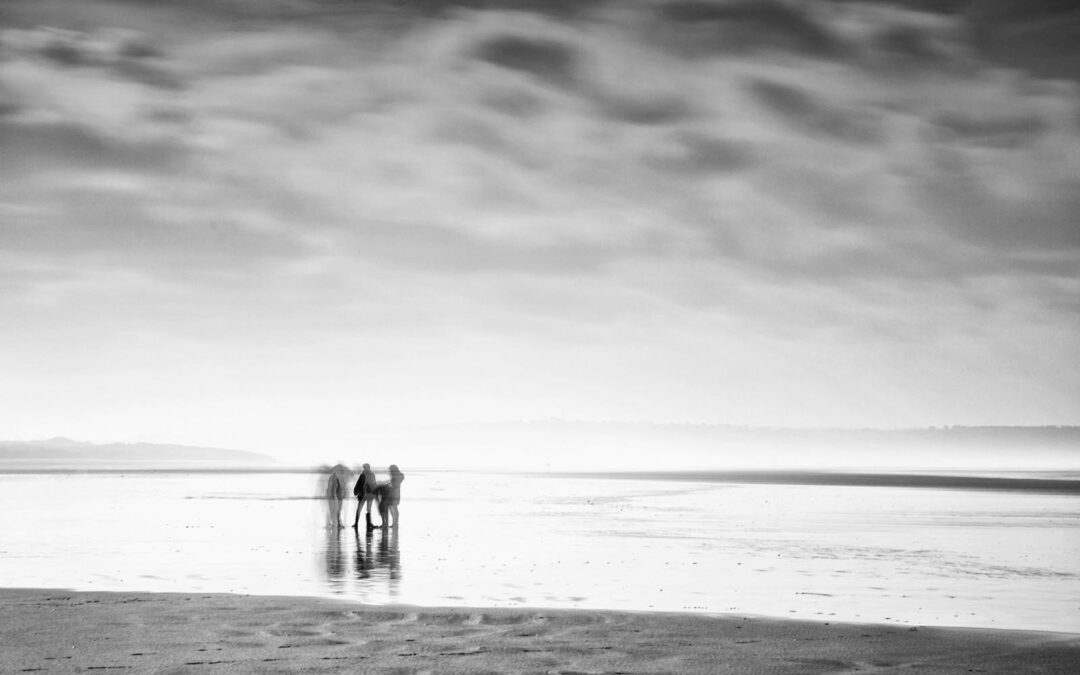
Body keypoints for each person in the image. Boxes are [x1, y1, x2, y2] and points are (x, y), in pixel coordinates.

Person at [352, 463, 379, 531]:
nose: (364, 469)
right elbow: (358, 483)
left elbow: (374, 484)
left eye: (365, 467)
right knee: (359, 508)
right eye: (364, 468)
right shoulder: (362, 475)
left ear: (368, 467)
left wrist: (376, 493)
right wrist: (356, 491)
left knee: (368, 509)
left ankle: (368, 524)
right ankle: (356, 523)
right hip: (363, 495)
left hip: (369, 494)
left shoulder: (371, 475)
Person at [325, 463, 350, 529]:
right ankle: (333, 523)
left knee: (338, 510)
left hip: (338, 496)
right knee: (334, 510)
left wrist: (345, 493)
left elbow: (343, 487)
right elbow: (332, 488)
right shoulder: (333, 477)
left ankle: (335, 523)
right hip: (334, 497)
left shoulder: (340, 477)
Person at [386, 464, 404, 528]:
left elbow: (394, 485)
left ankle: (395, 523)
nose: (389, 471)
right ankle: (395, 522)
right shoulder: (399, 475)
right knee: (393, 508)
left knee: (393, 508)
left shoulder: (396, 476)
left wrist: (389, 485)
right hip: (396, 493)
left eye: (390, 469)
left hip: (394, 493)